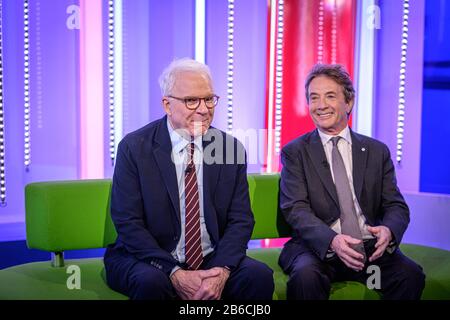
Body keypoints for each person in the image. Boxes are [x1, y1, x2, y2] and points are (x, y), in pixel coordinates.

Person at [104, 58, 274, 300]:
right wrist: (173, 272)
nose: (204, 110)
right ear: (167, 105)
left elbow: (241, 220)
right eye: (192, 101)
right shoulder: (134, 148)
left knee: (258, 277)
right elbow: (128, 222)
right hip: (149, 258)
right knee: (151, 283)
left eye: (208, 99)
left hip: (211, 257)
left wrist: (221, 271)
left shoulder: (229, 149)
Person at [278, 63, 425, 300]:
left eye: (330, 96)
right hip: (318, 249)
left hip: (368, 251)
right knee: (306, 278)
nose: (321, 105)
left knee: (410, 275)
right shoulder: (295, 152)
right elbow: (295, 209)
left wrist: (389, 230)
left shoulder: (377, 151)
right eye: (314, 98)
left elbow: (395, 206)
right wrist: (332, 241)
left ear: (349, 102)